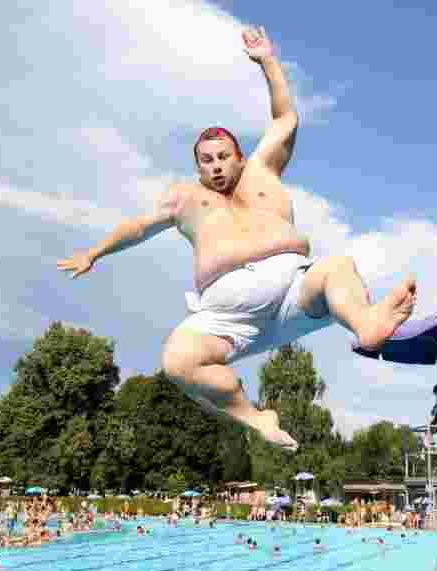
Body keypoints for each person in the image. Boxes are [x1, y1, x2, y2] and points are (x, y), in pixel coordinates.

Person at [57, 25, 417, 452]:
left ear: (240, 157)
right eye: (206, 161)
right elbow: (138, 226)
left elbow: (286, 118)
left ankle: (366, 325)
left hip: (292, 296)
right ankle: (254, 417)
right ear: (198, 168)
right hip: (230, 320)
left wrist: (268, 61)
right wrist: (96, 251)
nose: (215, 166)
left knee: (336, 266)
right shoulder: (186, 200)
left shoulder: (263, 172)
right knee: (177, 361)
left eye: (223, 156)